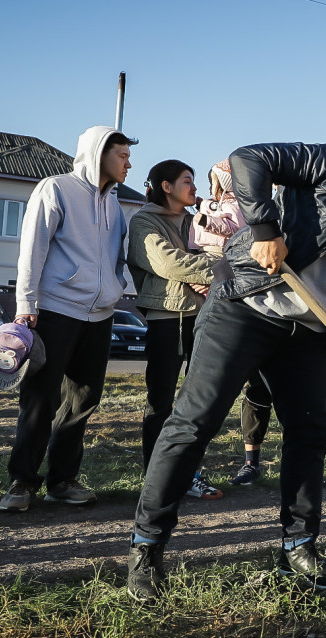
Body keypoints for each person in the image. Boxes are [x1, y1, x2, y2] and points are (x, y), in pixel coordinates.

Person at [127, 143, 326, 601]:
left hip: (311, 333)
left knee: (310, 432)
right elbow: (248, 159)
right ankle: (147, 548)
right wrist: (264, 228)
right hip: (247, 306)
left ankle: (299, 548)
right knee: (195, 422)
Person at [0, 126, 134, 513]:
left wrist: (117, 288)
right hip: (55, 310)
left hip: (100, 315)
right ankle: (22, 482)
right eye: (122, 156)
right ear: (99, 154)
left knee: (83, 400)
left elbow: (116, 258)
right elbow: (32, 249)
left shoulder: (115, 204)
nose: (128, 163)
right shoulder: (55, 189)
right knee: (41, 399)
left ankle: (62, 481)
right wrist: (26, 304)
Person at [127, 159, 223, 499]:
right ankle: (157, 478)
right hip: (166, 319)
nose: (194, 188)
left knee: (197, 404)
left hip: (203, 317)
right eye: (186, 180)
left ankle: (189, 474)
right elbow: (168, 262)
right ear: (166, 186)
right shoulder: (144, 222)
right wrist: (217, 270)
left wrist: (209, 270)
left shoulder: (196, 220)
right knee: (161, 402)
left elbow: (217, 250)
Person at [191, 159, 272, 487]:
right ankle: (190, 468)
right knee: (208, 391)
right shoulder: (218, 204)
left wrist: (206, 217)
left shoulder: (247, 207)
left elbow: (231, 232)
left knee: (259, 389)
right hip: (218, 302)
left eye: (218, 179)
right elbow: (197, 247)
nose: (214, 186)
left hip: (251, 300)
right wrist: (202, 273)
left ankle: (251, 461)